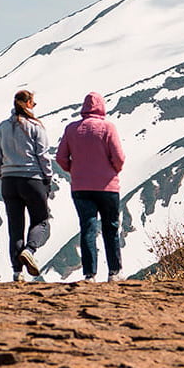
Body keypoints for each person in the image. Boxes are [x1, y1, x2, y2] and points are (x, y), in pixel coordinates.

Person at [56, 92, 125, 282]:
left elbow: (60, 157)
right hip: (107, 187)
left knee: (87, 228)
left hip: (81, 187)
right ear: (102, 107)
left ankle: (89, 274)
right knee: (110, 227)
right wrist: (114, 170)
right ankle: (114, 272)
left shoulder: (71, 129)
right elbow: (119, 157)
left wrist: (73, 170)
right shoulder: (108, 127)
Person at [0, 90, 52, 281]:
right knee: (41, 220)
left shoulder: (2, 127)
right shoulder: (35, 127)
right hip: (32, 179)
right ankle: (30, 250)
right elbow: (43, 156)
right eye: (34, 103)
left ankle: (17, 273)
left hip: (9, 181)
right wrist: (47, 178)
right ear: (28, 104)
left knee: (15, 227)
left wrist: (2, 174)